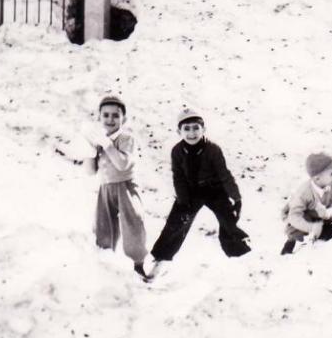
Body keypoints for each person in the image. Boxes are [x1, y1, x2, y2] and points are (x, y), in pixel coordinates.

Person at [149, 108, 250, 277]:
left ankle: (239, 254)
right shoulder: (177, 151)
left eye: (196, 127)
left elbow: (224, 174)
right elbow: (178, 177)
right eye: (186, 129)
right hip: (190, 190)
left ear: (204, 129)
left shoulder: (213, 149)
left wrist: (236, 197)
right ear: (178, 131)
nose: (191, 133)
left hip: (214, 189)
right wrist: (183, 201)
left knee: (228, 219)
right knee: (177, 222)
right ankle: (162, 259)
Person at [82, 95, 149, 280]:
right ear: (99, 118)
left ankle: (138, 264)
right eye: (106, 115)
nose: (110, 120)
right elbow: (90, 171)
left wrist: (108, 145)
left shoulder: (126, 139)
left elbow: (122, 164)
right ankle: (105, 263)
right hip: (105, 187)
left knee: (132, 223)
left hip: (125, 186)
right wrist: (89, 152)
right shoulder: (100, 141)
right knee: (103, 225)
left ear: (123, 119)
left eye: (115, 116)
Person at [280, 152, 332, 255]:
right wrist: (311, 227)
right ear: (317, 178)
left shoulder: (330, 185)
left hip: (319, 215)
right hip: (300, 220)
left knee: (329, 229)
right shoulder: (304, 193)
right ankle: (290, 245)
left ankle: (321, 234)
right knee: (297, 232)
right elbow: (294, 217)